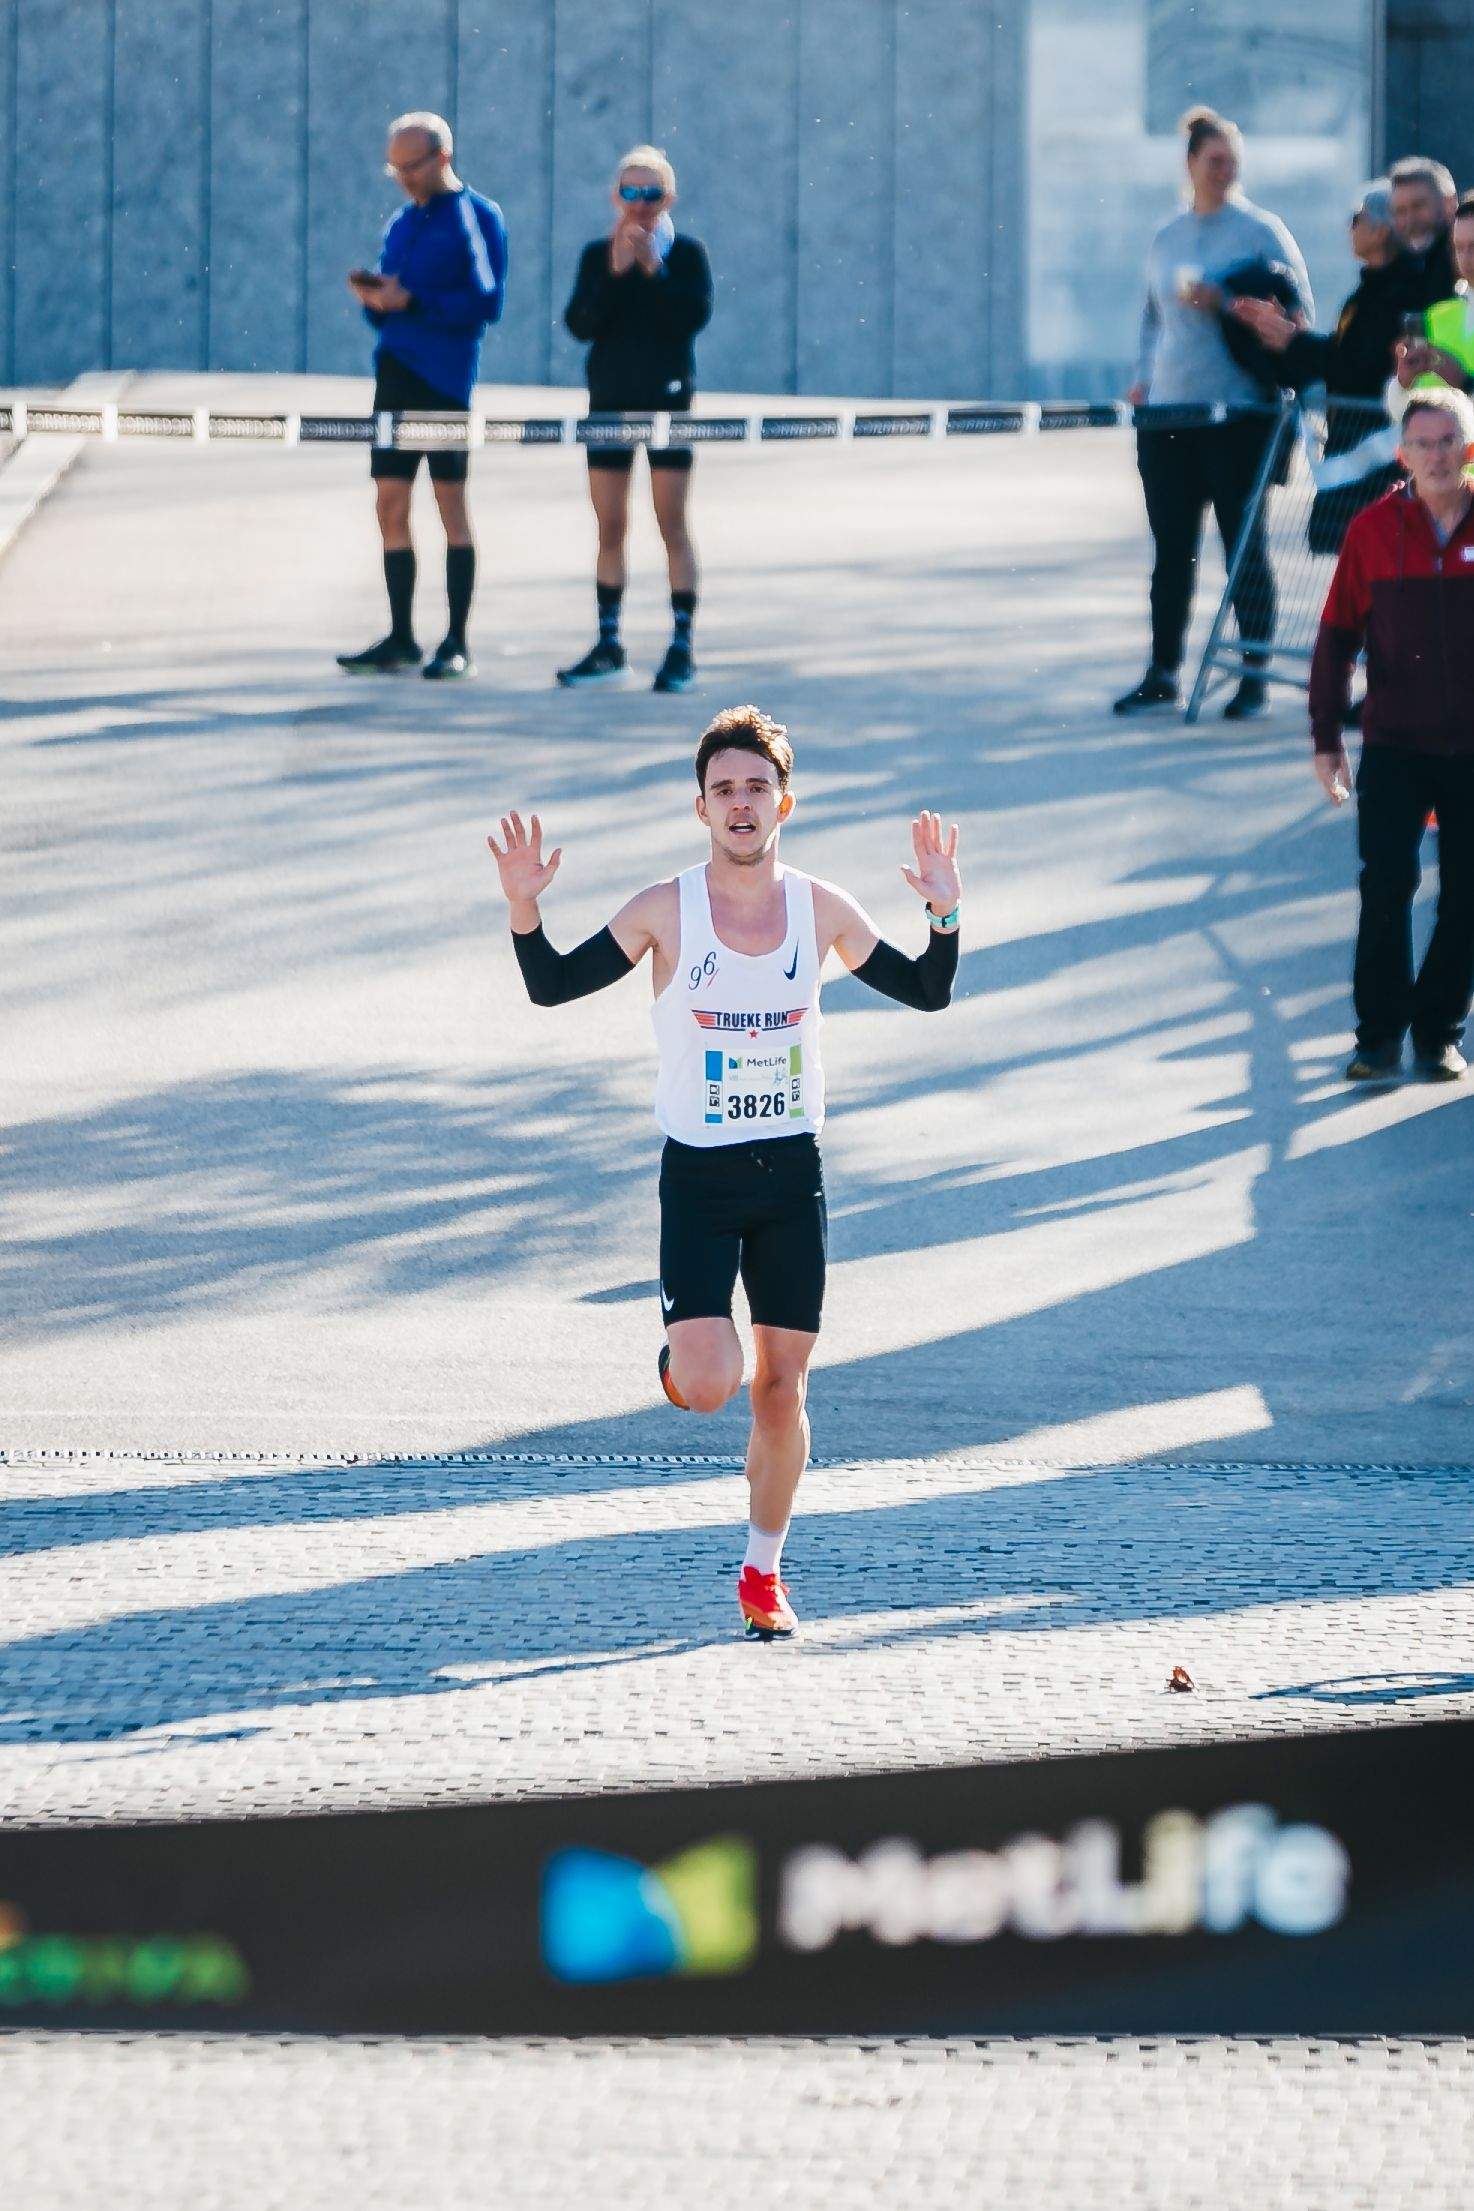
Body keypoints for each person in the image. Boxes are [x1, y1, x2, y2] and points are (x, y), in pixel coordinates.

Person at [486, 705, 960, 1639]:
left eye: (757, 787)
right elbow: (552, 984)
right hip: (700, 1181)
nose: (742, 804)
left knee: (781, 1390)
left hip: (791, 1176)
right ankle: (683, 1361)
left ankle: (762, 1569)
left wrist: (944, 912)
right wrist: (523, 906)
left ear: (786, 801)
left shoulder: (821, 908)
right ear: (700, 807)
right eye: (724, 790)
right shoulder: (666, 908)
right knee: (713, 1384)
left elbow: (927, 989)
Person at [1116, 106, 1312, 724]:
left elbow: (1298, 316)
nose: (1225, 171)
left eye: (1233, 161)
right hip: (1169, 415)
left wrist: (1225, 300)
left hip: (1239, 415)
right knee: (1172, 550)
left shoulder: (1261, 231)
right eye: (1215, 160)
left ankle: (1252, 675)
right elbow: (1151, 320)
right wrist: (1143, 378)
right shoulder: (1167, 236)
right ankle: (1162, 672)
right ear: (1191, 163)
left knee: (1243, 547)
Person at [1308, 386, 1474, 1084]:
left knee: (1467, 898)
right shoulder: (1372, 530)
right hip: (1396, 743)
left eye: (1449, 441)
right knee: (1385, 886)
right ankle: (1377, 1040)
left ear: (1469, 448)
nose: (1437, 456)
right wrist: (1326, 736)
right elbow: (1337, 635)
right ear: (1403, 454)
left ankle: (1438, 1035)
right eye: (1423, 444)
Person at [338, 112, 507, 681]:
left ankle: (456, 640)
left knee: (449, 505)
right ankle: (401, 636)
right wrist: (377, 301)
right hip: (395, 373)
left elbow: (486, 302)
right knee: (389, 503)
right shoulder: (402, 223)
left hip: (444, 381)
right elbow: (392, 308)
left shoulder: (475, 216)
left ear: (442, 158)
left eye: (411, 167)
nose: (404, 179)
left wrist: (413, 302)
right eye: (395, 170)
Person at [557, 147, 713, 695]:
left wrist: (654, 270)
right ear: (615, 196)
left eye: (651, 193)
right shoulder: (597, 255)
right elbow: (580, 323)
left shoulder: (686, 254)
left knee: (671, 521)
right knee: (609, 524)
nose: (641, 204)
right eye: (631, 192)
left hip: (667, 404)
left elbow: (690, 318)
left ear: (668, 198)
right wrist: (618, 272)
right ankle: (608, 643)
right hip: (610, 403)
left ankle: (681, 644)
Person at [1393, 195, 1474, 399]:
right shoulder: (1436, 315)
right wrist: (1403, 384)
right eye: (1459, 248)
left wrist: (1466, 385)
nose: (1466, 258)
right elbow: (1403, 411)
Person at [1388, 156, 1459, 306]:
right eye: (1400, 211)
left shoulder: (1463, 266)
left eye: (1418, 206)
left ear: (1449, 203)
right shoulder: (1398, 275)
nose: (1410, 220)